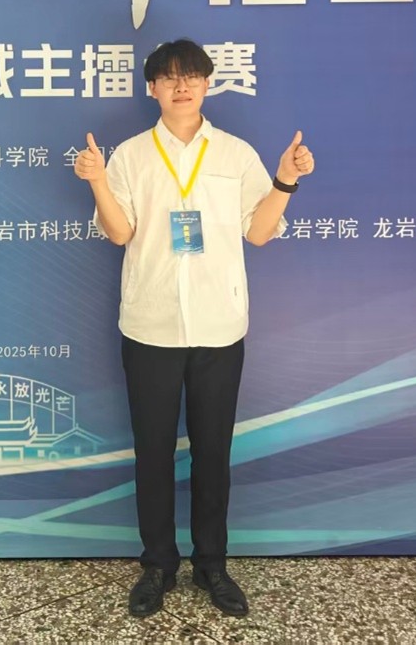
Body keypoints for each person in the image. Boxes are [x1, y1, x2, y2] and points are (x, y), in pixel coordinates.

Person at [74, 38, 314, 618]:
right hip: (150, 325)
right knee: (153, 453)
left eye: (192, 76)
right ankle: (157, 565)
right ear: (152, 88)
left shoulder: (235, 154)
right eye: (169, 77)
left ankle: (213, 565)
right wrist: (98, 181)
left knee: (213, 452)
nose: (181, 86)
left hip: (218, 325)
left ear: (208, 84)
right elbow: (120, 233)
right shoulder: (131, 156)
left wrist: (284, 181)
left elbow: (258, 233)